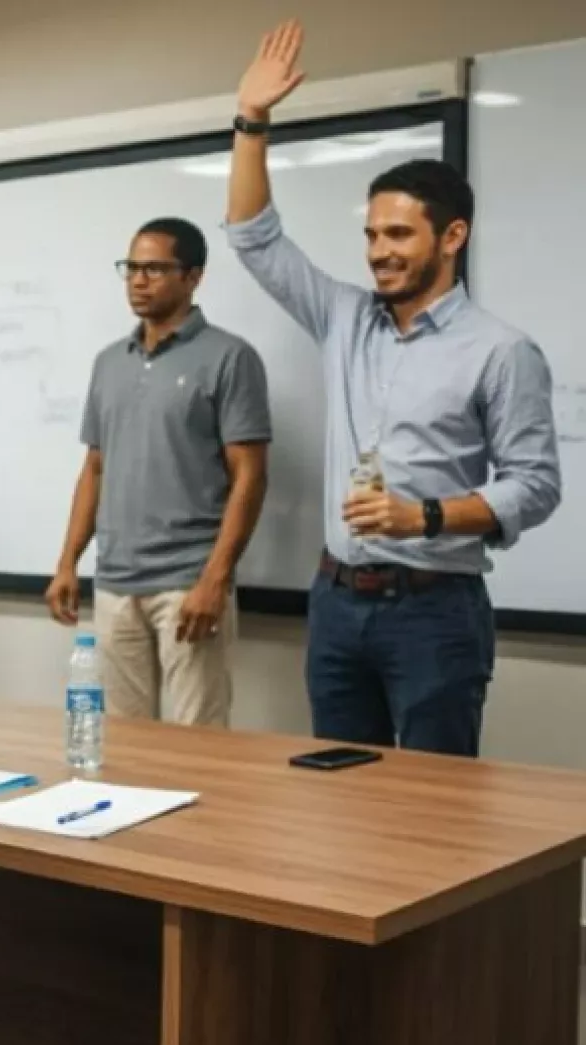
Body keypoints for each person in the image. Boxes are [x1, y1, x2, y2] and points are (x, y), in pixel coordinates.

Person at [224, 21, 560, 756]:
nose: (379, 252)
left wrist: (425, 516)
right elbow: (253, 237)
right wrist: (250, 120)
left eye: (399, 236)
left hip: (434, 612)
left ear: (452, 237)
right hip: (337, 601)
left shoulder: (500, 350)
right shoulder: (343, 317)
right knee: (344, 797)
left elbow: (535, 485)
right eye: (373, 235)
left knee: (435, 803)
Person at [45, 218, 271, 727]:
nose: (138, 280)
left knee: (197, 741)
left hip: (188, 582)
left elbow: (250, 477)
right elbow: (95, 469)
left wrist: (215, 580)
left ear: (193, 276)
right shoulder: (109, 362)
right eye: (131, 268)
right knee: (123, 742)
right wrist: (67, 563)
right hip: (115, 582)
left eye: (154, 269)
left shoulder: (229, 357)